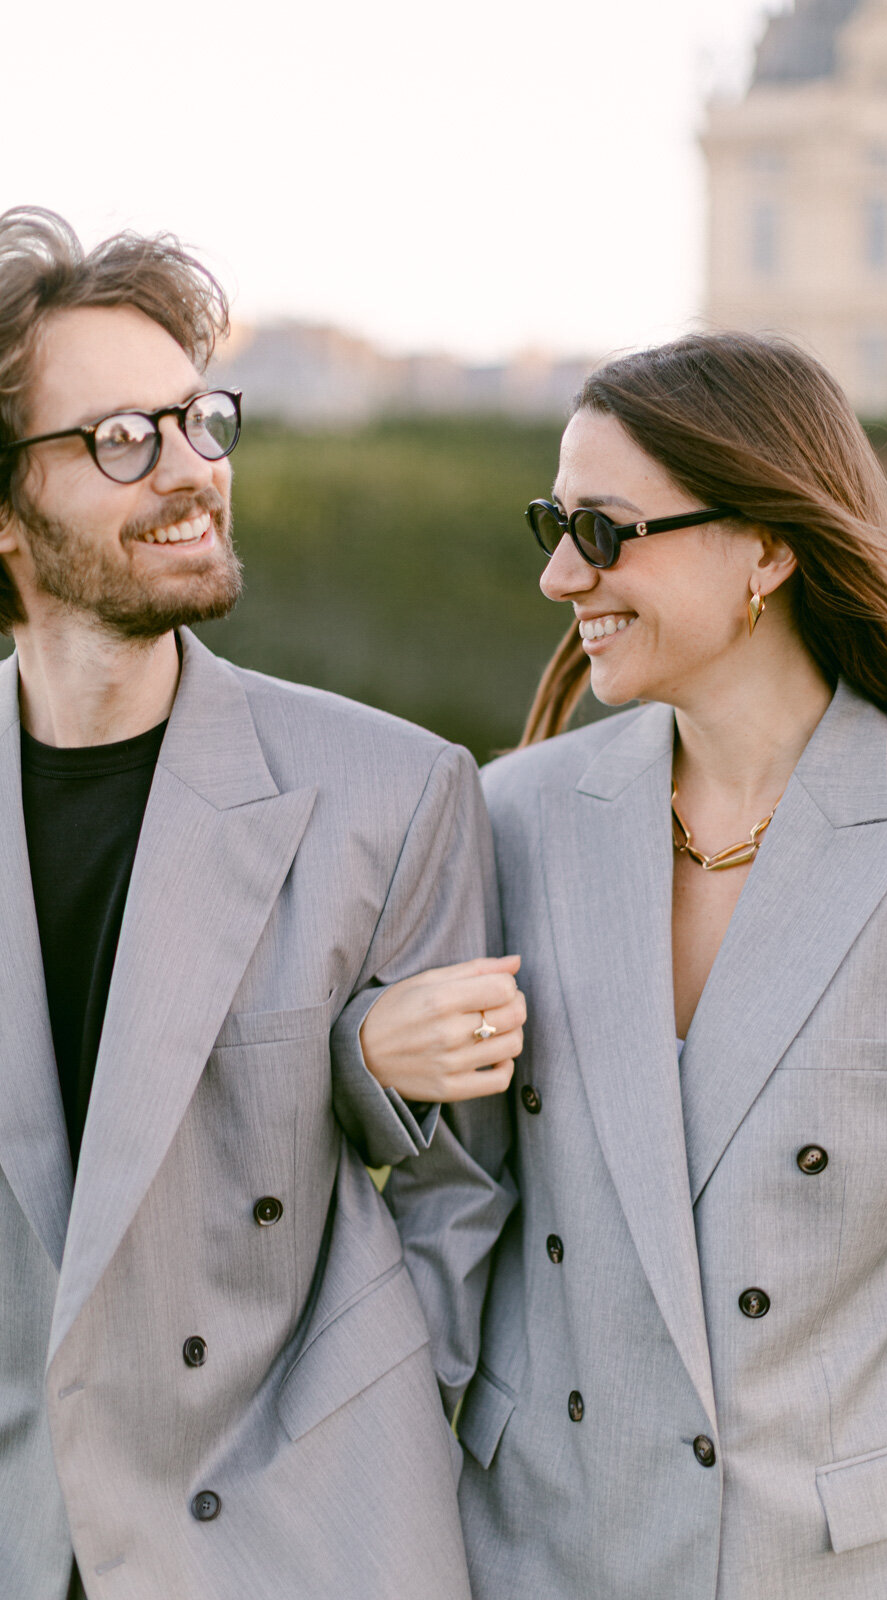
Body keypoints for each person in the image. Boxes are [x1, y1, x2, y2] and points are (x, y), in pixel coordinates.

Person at [368, 333, 887, 1598]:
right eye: (552, 524)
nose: (559, 574)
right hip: (537, 1553)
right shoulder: (509, 819)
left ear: (766, 547)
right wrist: (358, 1055)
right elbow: (441, 1205)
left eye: (601, 529)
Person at [0, 206, 523, 1600]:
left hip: (286, 1545)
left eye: (198, 421)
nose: (190, 471)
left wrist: (364, 1462)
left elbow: (463, 1199)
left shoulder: (392, 793)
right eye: (123, 439)